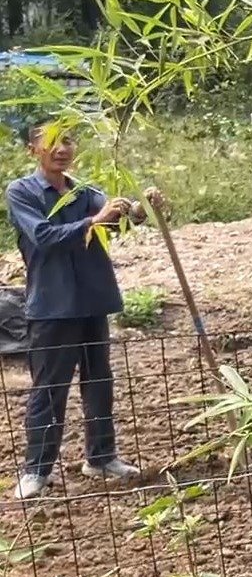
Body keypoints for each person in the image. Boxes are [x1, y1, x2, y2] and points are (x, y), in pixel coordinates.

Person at [5, 118, 161, 499]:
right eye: (53, 142)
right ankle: (36, 470)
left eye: (68, 141)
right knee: (50, 390)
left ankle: (102, 457)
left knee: (99, 383)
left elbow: (114, 222)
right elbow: (43, 237)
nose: (62, 149)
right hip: (53, 307)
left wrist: (140, 209)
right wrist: (96, 219)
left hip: (92, 300)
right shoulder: (21, 192)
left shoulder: (84, 191)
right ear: (34, 151)